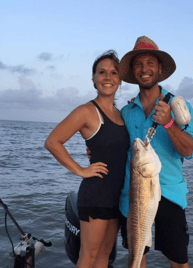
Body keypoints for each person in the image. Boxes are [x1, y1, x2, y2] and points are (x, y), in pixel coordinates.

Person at [118, 36, 193, 268]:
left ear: (160, 68)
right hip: (132, 197)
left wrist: (169, 124)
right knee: (136, 257)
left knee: (179, 262)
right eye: (138, 64)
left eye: (150, 63)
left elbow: (189, 150)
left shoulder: (178, 106)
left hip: (169, 194)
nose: (144, 69)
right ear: (133, 71)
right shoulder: (126, 111)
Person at [44, 50, 129, 268]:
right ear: (93, 78)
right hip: (96, 194)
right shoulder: (86, 111)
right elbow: (53, 142)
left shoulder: (121, 114)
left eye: (113, 73)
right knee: (88, 256)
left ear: (120, 79)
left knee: (104, 255)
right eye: (102, 72)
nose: (107, 77)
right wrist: (81, 170)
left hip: (118, 196)